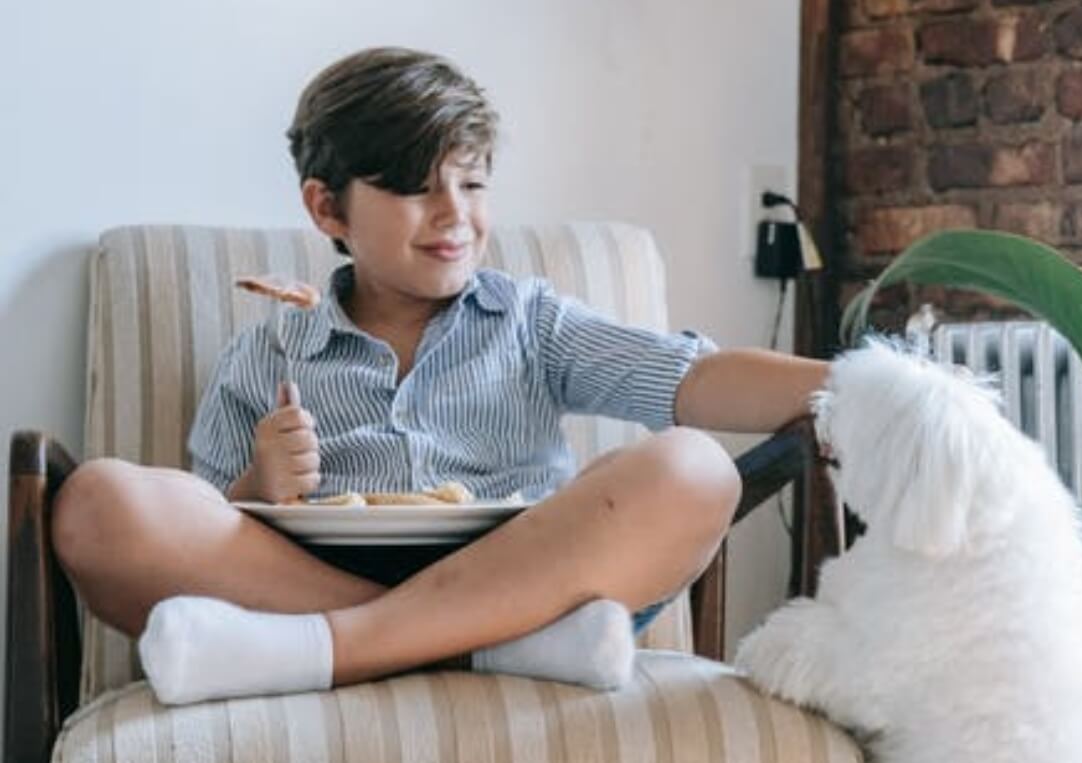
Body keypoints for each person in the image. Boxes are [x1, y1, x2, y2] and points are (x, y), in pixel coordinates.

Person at [50, 47, 830, 706]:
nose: (455, 212)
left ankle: (338, 647)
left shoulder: (530, 322)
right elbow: (201, 527)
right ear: (328, 208)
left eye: (473, 183)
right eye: (418, 187)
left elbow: (693, 380)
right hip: (314, 574)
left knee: (694, 466)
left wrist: (866, 383)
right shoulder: (268, 354)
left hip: (527, 570)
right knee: (95, 504)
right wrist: (257, 482)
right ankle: (501, 649)